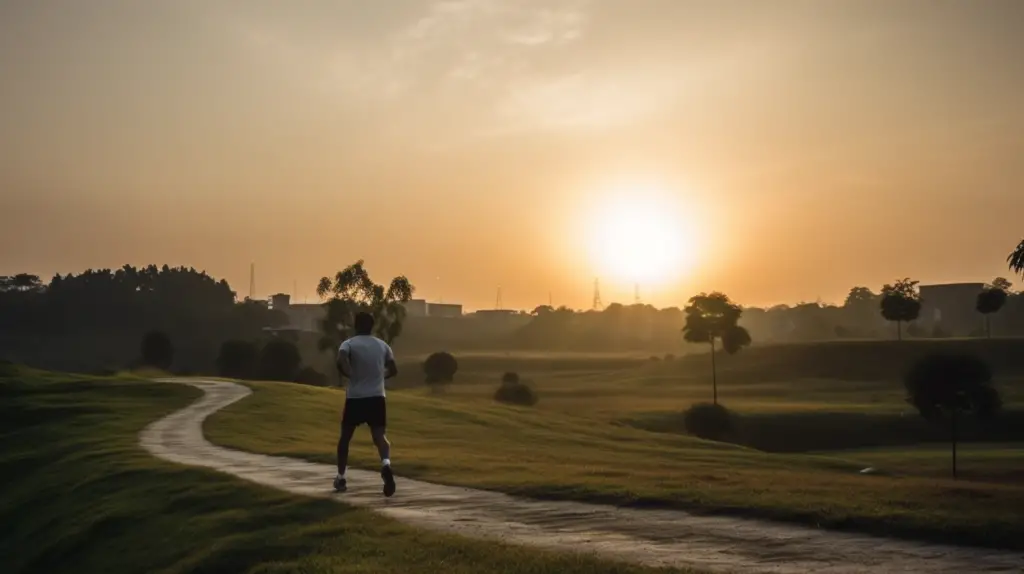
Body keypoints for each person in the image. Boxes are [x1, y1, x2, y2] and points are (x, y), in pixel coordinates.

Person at [333, 311, 398, 497]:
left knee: (345, 438)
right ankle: (386, 464)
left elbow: (341, 360)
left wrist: (350, 374)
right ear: (372, 326)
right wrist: (379, 377)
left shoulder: (349, 344)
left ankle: (341, 477)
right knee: (379, 436)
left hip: (355, 397)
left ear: (356, 325)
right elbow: (393, 369)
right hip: (377, 397)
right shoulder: (382, 345)